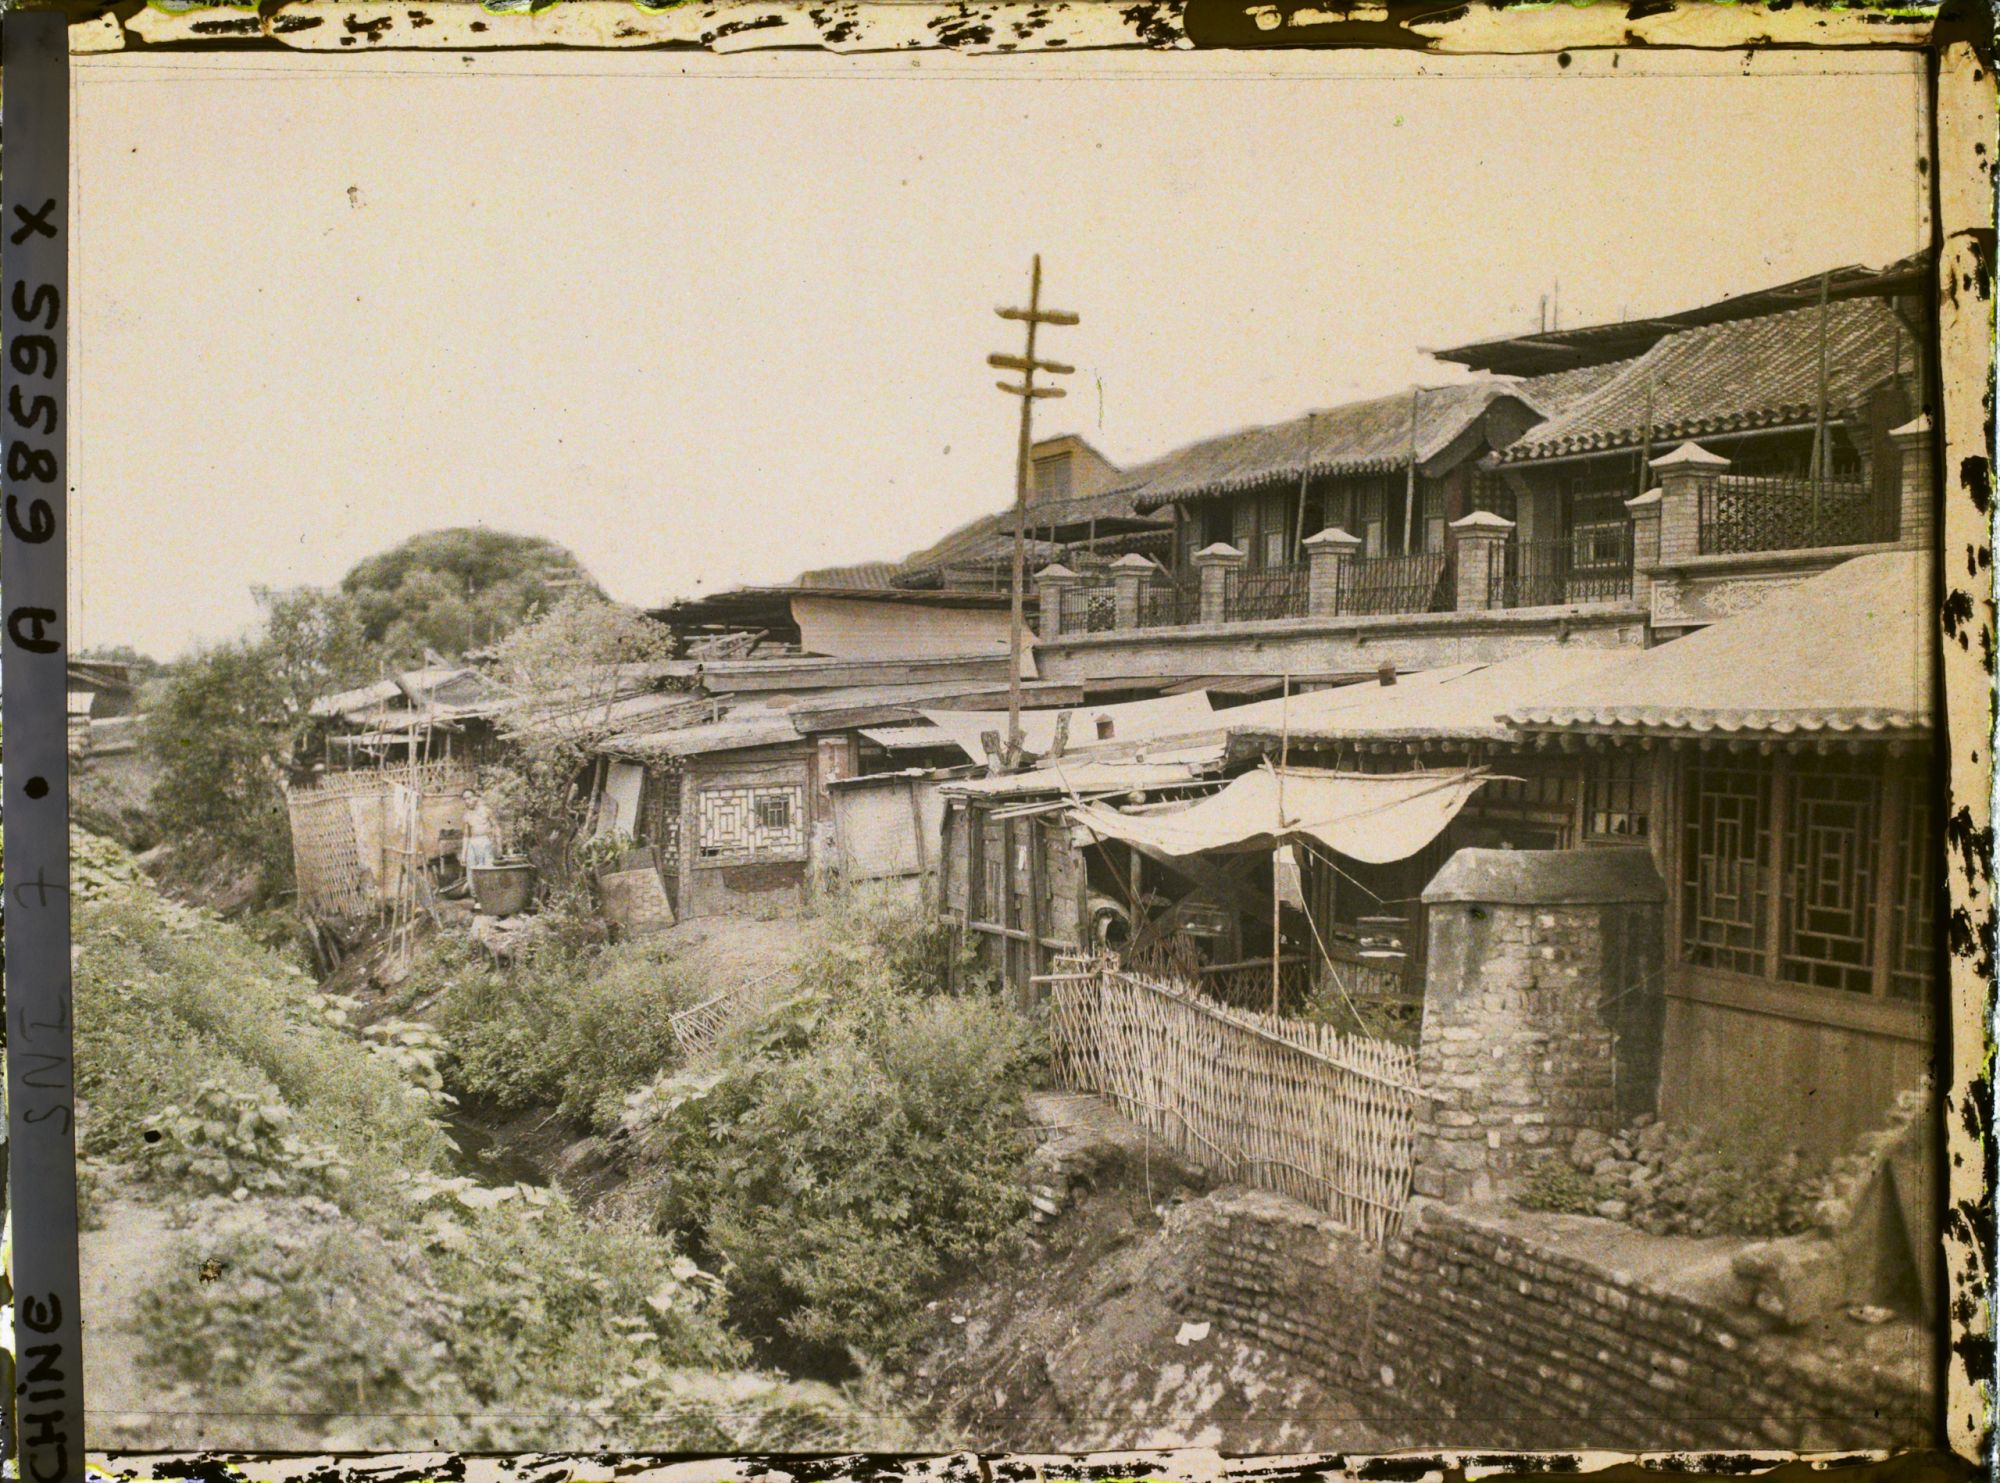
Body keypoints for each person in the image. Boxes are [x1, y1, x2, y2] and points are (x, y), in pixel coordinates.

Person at [463, 793, 496, 870]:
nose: (467, 801)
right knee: (471, 869)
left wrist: (494, 843)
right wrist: (463, 854)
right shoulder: (466, 815)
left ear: (476, 798)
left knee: (488, 868)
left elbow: (495, 827)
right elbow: (466, 835)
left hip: (486, 841)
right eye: (464, 799)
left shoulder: (486, 810)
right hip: (473, 842)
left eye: (469, 798)